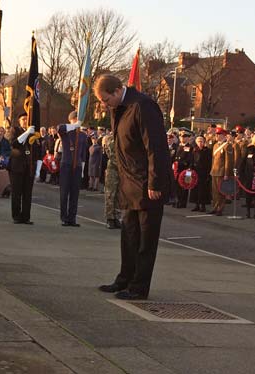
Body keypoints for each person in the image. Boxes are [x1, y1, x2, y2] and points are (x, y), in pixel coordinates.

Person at [94, 74, 170, 300]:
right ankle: (124, 279)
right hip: (128, 183)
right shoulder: (119, 109)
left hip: (147, 185)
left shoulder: (143, 106)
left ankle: (139, 287)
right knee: (128, 236)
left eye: (106, 100)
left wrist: (155, 181)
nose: (104, 105)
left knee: (146, 240)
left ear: (117, 91)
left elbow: (155, 146)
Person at [8, 112, 43, 224]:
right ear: (19, 120)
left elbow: (38, 152)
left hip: (29, 167)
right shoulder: (15, 130)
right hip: (17, 166)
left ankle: (26, 217)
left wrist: (38, 169)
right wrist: (27, 132)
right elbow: (14, 144)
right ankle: (16, 216)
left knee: (27, 194)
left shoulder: (34, 133)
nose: (25, 120)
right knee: (16, 193)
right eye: (23, 119)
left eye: (26, 119)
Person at [57, 111, 88, 227]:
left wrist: (83, 170)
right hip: (66, 164)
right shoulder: (66, 132)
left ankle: (72, 218)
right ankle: (64, 217)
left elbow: (83, 153)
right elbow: (59, 128)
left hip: (78, 166)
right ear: (72, 119)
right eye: (76, 119)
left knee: (75, 193)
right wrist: (74, 125)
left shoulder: (83, 135)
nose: (78, 122)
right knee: (64, 192)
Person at [209, 128, 234, 216]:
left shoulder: (227, 146)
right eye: (216, 134)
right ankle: (215, 207)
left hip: (222, 172)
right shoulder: (215, 145)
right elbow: (213, 159)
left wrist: (226, 173)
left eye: (218, 134)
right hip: (215, 171)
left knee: (221, 191)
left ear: (223, 135)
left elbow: (228, 161)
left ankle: (220, 208)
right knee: (214, 191)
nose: (216, 136)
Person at [102, 132, 122, 229]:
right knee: (110, 194)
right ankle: (110, 218)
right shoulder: (110, 138)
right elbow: (111, 155)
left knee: (119, 194)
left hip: (122, 170)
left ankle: (117, 217)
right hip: (113, 169)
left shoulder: (124, 138)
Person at [190, 136, 212, 212]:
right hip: (195, 172)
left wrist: (208, 173)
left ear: (204, 142)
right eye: (198, 141)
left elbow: (209, 163)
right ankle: (196, 205)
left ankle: (203, 206)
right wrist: (190, 169)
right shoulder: (194, 150)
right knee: (195, 189)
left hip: (204, 172)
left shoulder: (207, 151)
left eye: (201, 141)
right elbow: (192, 160)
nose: (200, 143)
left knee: (203, 190)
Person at [174, 129, 194, 208]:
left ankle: (183, 202)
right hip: (177, 169)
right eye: (181, 137)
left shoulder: (189, 147)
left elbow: (189, 159)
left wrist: (187, 167)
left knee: (184, 186)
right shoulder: (179, 146)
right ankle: (178, 200)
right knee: (177, 186)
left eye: (185, 137)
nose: (183, 138)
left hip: (185, 169)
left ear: (188, 138)